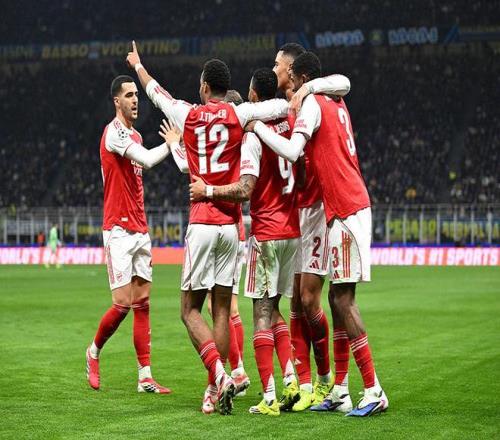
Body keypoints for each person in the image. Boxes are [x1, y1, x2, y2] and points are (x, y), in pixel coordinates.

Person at [126, 41, 290, 415]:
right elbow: (279, 106)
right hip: (232, 226)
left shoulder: (188, 114)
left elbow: (156, 93)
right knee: (221, 311)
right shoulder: (238, 113)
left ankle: (219, 374)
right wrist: (302, 92)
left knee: (189, 311)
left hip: (202, 220)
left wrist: (138, 66)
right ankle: (214, 390)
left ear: (203, 87)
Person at [247, 51, 389, 416]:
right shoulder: (330, 99)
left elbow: (294, 150)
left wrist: (256, 127)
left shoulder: (311, 101)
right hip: (337, 208)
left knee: (340, 300)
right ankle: (339, 388)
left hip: (341, 207)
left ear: (299, 74)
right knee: (334, 298)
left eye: (285, 68)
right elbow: (343, 82)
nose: (283, 73)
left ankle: (371, 388)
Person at [191, 68, 299, 416]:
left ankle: (268, 395)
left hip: (265, 230)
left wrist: (208, 189)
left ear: (253, 96)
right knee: (275, 309)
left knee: (259, 313)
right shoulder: (289, 126)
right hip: (293, 229)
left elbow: (246, 188)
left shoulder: (253, 135)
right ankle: (292, 379)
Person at [85, 74, 178, 394]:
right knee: (122, 304)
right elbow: (149, 161)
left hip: (140, 228)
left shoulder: (135, 135)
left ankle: (145, 377)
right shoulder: (113, 133)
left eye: (137, 94)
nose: (136, 99)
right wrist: (172, 143)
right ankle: (93, 352)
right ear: (117, 101)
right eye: (129, 95)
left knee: (143, 303)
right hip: (118, 230)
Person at [274, 43, 349, 411]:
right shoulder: (281, 108)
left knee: (309, 299)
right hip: (293, 213)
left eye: (278, 64)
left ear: (292, 71)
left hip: (318, 209)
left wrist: (310, 88)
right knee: (294, 300)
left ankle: (325, 378)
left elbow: (344, 81)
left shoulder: (314, 101)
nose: (275, 69)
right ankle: (305, 384)